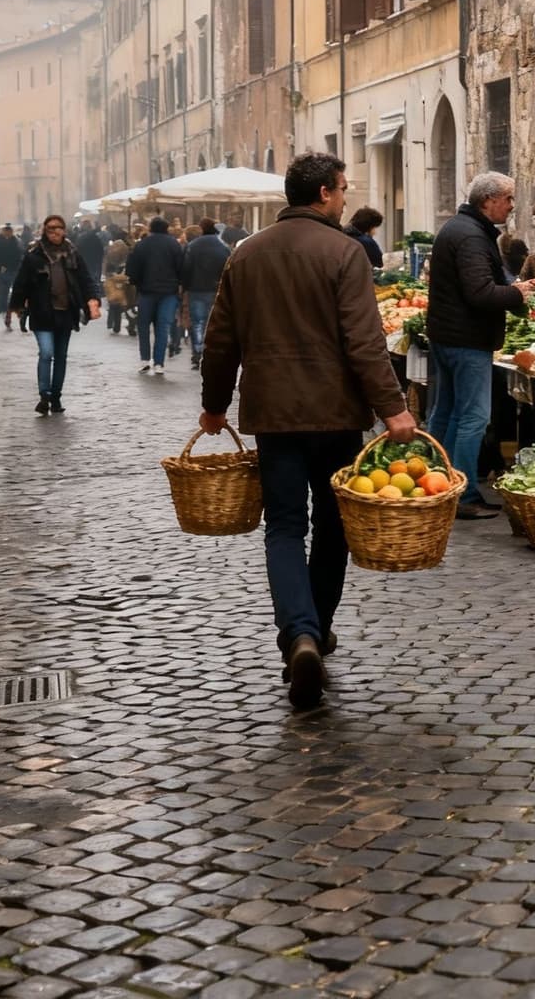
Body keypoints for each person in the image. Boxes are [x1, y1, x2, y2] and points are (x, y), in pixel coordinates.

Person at [199, 152, 417, 710]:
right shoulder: (345, 252)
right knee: (333, 526)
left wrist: (215, 406)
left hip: (273, 414)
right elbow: (365, 343)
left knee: (284, 527)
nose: (345, 198)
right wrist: (393, 409)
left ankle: (299, 633)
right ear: (323, 192)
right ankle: (315, 630)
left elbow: (220, 340)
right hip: (337, 413)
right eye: (342, 189)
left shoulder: (246, 256)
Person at [426, 172, 535, 519]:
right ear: (488, 201)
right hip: (466, 339)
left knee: (447, 412)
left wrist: (512, 288)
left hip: (448, 336)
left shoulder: (459, 228)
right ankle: (464, 494)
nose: (511, 206)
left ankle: (438, 482)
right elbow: (480, 293)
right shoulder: (472, 236)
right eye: (508, 199)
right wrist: (517, 293)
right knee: (473, 416)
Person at [5, 215, 102, 415]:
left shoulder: (73, 253)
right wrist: (15, 306)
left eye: (58, 228)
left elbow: (85, 279)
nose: (55, 232)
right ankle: (44, 395)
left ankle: (56, 396)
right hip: (42, 312)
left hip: (66, 312)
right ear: (45, 230)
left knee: (60, 357)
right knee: (46, 353)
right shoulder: (34, 255)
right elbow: (21, 282)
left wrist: (93, 299)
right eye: (50, 228)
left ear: (64, 230)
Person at [126, 216, 188, 376]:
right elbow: (181, 267)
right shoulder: (174, 244)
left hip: (146, 292)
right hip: (169, 292)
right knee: (163, 327)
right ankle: (159, 362)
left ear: (151, 228)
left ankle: (145, 359)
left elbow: (132, 268)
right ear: (166, 228)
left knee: (143, 326)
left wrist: (136, 283)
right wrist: (180, 285)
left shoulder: (142, 245)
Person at [184, 218, 231, 370]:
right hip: (215, 290)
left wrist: (185, 287)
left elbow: (186, 268)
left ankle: (197, 352)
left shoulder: (192, 246)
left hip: (196, 289)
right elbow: (227, 270)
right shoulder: (223, 247)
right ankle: (210, 352)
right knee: (213, 324)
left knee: (198, 322)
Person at [0, 224, 23, 327]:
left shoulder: (15, 241)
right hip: (1, 270)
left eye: (9, 231)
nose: (8, 233)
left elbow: (19, 255)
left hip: (12, 269)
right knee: (2, 290)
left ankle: (12, 308)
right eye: (6, 231)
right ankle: (2, 309)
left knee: (12, 290)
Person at [103, 227, 132, 334]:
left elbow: (106, 268)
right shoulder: (127, 252)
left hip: (112, 281)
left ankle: (111, 322)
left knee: (112, 302)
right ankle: (117, 325)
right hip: (122, 280)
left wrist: (107, 276)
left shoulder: (110, 252)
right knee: (119, 303)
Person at [75, 220, 108, 285]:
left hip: (83, 261)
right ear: (90, 227)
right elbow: (100, 250)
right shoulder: (95, 237)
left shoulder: (80, 237)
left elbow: (77, 250)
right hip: (94, 262)